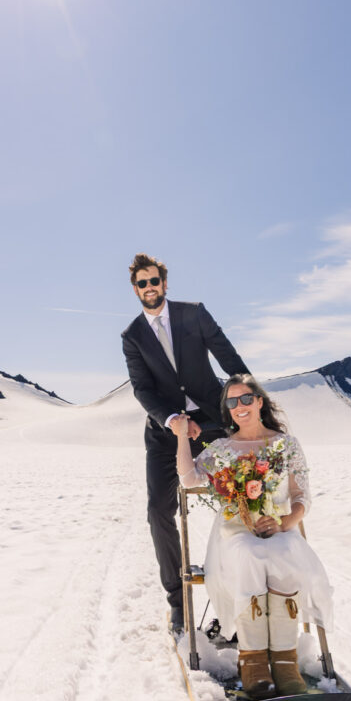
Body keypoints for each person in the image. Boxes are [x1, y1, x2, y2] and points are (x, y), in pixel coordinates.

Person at [174, 373, 333, 699]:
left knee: (286, 553)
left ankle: (286, 664)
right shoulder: (219, 447)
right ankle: (255, 663)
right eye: (232, 402)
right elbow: (189, 479)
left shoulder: (285, 445)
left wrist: (286, 521)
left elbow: (302, 497)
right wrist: (180, 437)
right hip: (235, 530)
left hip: (279, 526)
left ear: (260, 401)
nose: (240, 406)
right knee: (249, 554)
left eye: (246, 398)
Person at [122, 253, 250, 632]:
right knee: (158, 511)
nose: (149, 288)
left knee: (244, 494)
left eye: (154, 280)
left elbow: (229, 357)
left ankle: (247, 584)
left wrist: (249, 400)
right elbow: (142, 388)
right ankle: (179, 602)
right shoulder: (132, 337)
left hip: (212, 422)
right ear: (135, 290)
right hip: (165, 433)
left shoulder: (193, 314)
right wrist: (173, 419)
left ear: (165, 283)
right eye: (142, 283)